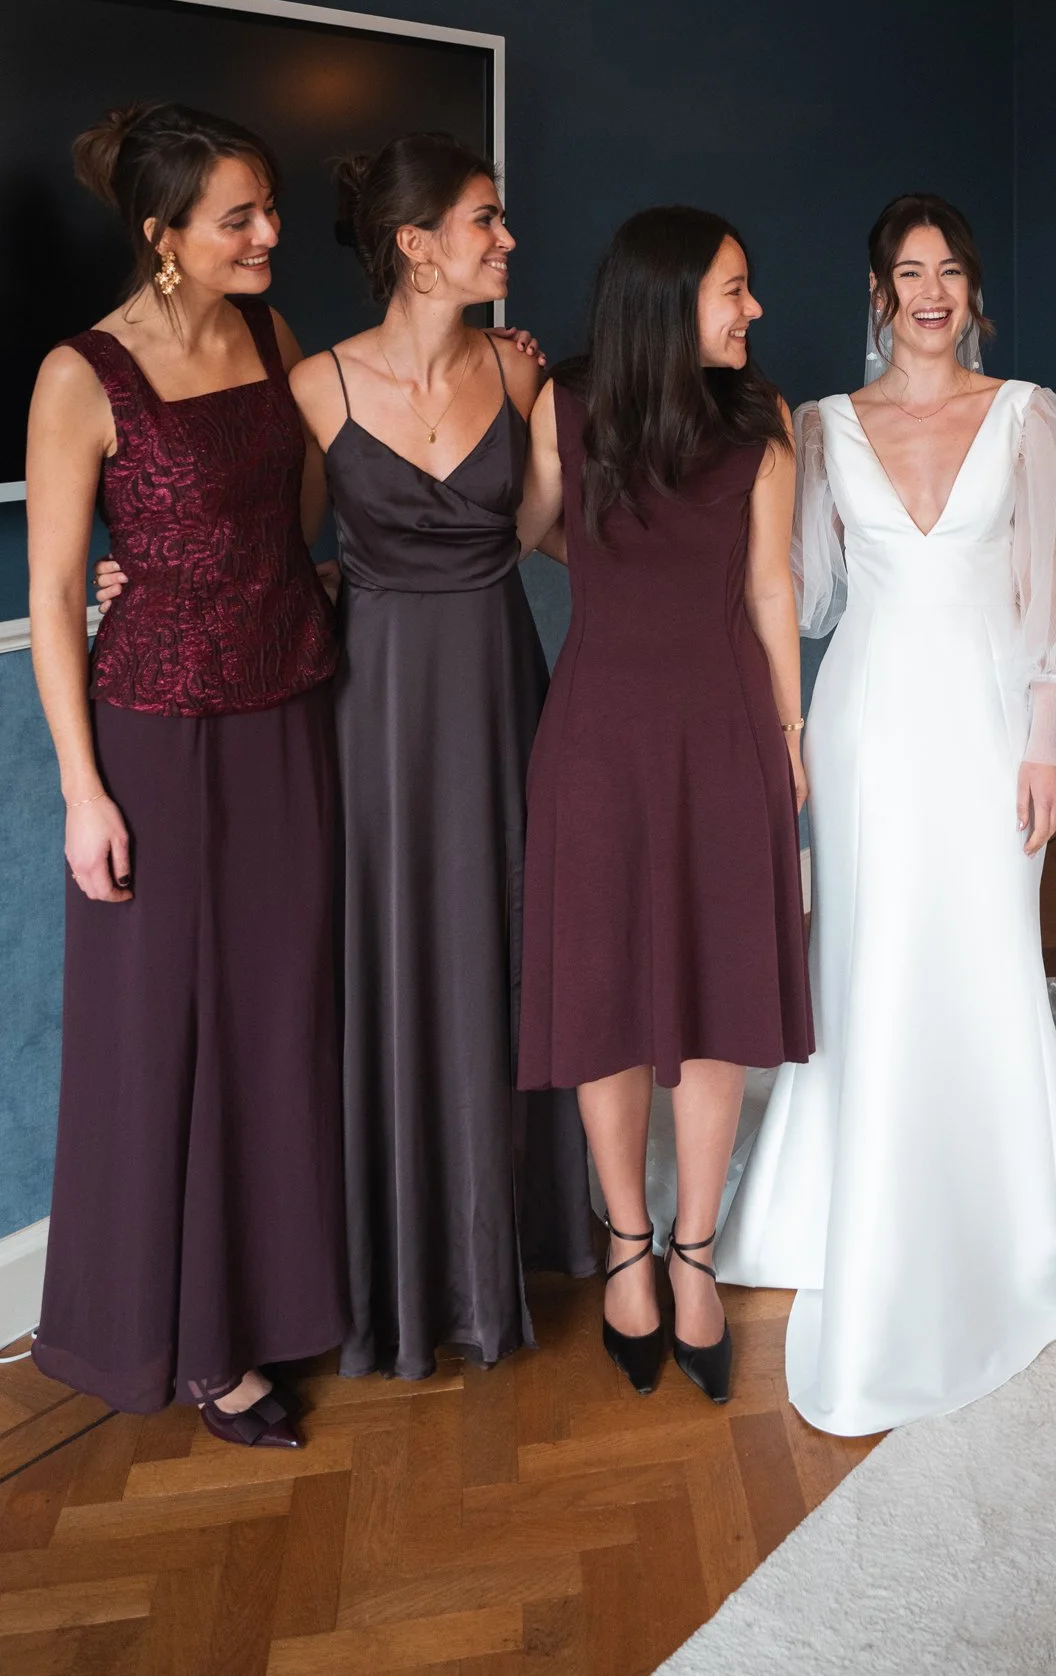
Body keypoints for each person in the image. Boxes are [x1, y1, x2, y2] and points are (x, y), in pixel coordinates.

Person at [719, 192, 1056, 1436]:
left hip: (980, 726)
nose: (931, 291)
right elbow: (784, 589)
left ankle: (1014, 1211)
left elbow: (1051, 598)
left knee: (983, 953)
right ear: (875, 294)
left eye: (949, 270)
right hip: (861, 727)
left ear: (971, 290)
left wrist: (1045, 745)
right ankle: (833, 1198)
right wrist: (783, 738)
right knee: (862, 954)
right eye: (907, 272)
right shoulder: (819, 425)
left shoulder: (1026, 416)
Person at [26, 103, 343, 1446]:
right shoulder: (79, 375)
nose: (270, 233)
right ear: (164, 237)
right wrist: (82, 795)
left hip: (291, 712)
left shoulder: (279, 341)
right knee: (164, 1033)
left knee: (281, 1019)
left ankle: (275, 1309)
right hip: (151, 737)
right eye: (239, 216)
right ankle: (193, 1346)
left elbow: (308, 516)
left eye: (269, 206)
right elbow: (49, 594)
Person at [285, 134, 594, 1379]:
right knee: (392, 960)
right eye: (485, 221)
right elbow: (281, 559)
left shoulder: (517, 378)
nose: (507, 241)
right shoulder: (315, 387)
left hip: (496, 688)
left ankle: (504, 1247)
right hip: (375, 709)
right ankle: (398, 1269)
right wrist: (130, 580)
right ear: (416, 246)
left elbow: (535, 535)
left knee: (507, 947)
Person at [517, 208, 813, 1405]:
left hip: (723, 726)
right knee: (597, 988)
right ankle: (624, 1246)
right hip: (593, 737)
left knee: (709, 996)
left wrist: (791, 747)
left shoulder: (764, 418)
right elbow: (533, 529)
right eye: (732, 290)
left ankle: (696, 1250)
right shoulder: (563, 404)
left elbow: (771, 585)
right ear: (665, 301)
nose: (752, 311)